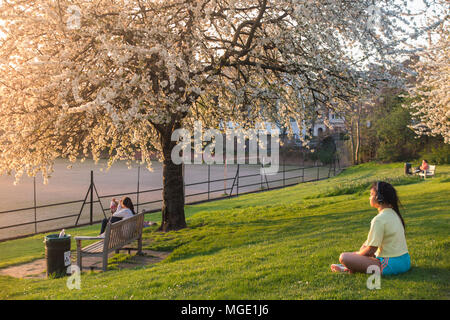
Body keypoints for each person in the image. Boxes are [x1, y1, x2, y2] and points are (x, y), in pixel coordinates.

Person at [331, 181, 411, 276]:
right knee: (365, 245)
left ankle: (348, 267)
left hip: (390, 265)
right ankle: (350, 266)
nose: (369, 197)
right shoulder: (394, 214)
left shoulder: (379, 219)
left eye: (371, 194)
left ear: (379, 198)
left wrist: (356, 255)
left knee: (344, 257)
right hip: (405, 262)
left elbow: (370, 251)